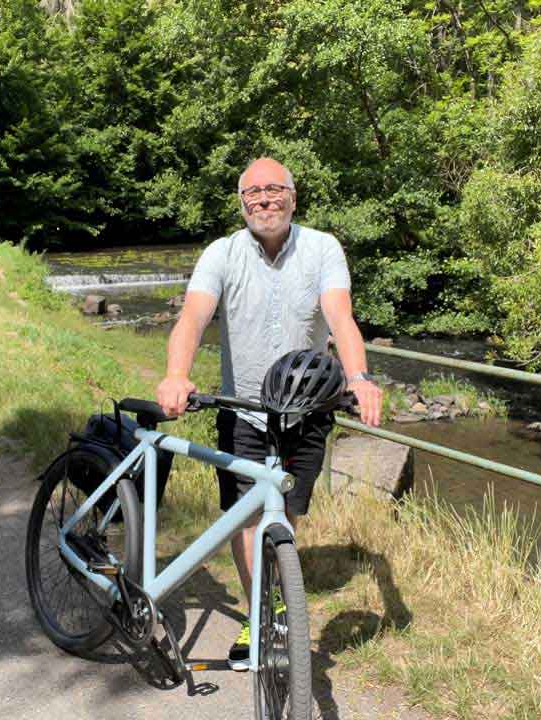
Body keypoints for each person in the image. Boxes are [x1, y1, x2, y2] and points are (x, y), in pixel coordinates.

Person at [155, 157, 383, 670]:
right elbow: (193, 317)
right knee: (248, 519)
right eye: (253, 192)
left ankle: (275, 592)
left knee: (287, 516)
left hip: (307, 410)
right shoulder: (223, 253)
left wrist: (359, 377)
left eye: (275, 189)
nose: (264, 199)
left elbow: (340, 317)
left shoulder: (323, 248)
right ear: (242, 203)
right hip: (245, 411)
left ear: (293, 197)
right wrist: (176, 373)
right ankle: (259, 614)